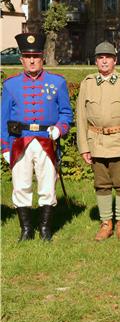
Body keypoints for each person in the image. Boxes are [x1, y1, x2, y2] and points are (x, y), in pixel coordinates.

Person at [1, 33, 73, 241]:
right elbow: (3, 118)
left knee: (47, 185)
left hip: (46, 141)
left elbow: (66, 114)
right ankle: (26, 230)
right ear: (21, 59)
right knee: (21, 185)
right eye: (27, 56)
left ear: (42, 58)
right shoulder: (10, 85)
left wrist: (60, 128)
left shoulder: (57, 82)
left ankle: (45, 230)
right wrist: (5, 147)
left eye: (36, 56)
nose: (32, 60)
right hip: (20, 141)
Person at [76, 41, 120, 241]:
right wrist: (84, 147)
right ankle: (106, 223)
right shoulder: (87, 83)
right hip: (96, 142)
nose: (104, 61)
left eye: (108, 57)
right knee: (101, 184)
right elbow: (81, 118)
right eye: (100, 58)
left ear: (115, 60)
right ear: (95, 61)